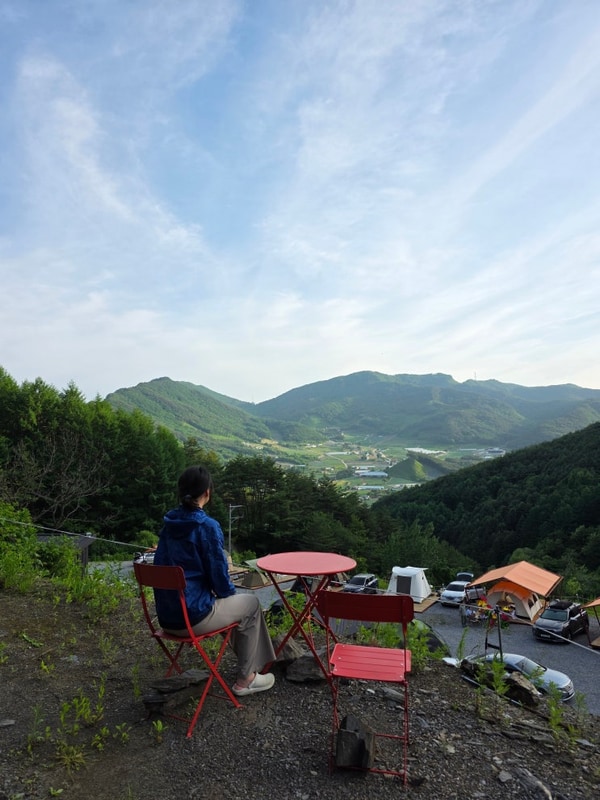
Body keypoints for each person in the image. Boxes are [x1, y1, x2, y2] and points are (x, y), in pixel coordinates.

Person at [153, 465, 276, 696]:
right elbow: (220, 582)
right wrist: (227, 593)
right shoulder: (206, 527)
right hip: (193, 617)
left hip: (167, 617)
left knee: (232, 608)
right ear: (207, 493)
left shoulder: (168, 525)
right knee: (249, 605)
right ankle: (246, 679)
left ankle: (251, 665)